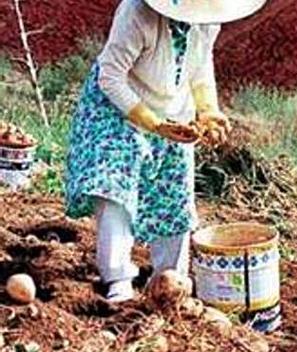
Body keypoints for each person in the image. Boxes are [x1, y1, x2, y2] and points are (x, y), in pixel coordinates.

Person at [65, 0, 265, 303]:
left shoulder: (208, 16)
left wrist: (208, 110)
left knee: (175, 193)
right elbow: (111, 76)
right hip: (118, 108)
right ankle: (117, 278)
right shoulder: (137, 13)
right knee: (115, 187)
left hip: (173, 112)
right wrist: (152, 123)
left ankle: (171, 282)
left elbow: (199, 66)